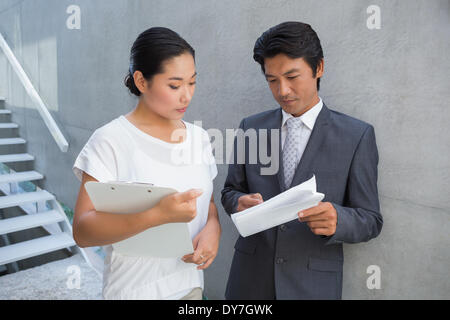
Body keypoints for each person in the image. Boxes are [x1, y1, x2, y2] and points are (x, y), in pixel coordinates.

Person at [221, 21, 383, 299]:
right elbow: (229, 191)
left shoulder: (357, 135)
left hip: (312, 285)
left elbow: (371, 219)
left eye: (292, 76)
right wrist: (238, 202)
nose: (282, 90)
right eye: (272, 80)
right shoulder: (251, 127)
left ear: (318, 68)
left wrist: (338, 219)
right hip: (249, 282)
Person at [72, 27, 221, 300]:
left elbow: (207, 205)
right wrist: (157, 215)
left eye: (192, 82)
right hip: (134, 292)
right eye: (174, 85)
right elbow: (83, 230)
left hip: (189, 287)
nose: (186, 95)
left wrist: (213, 231)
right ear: (141, 81)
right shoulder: (110, 140)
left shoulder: (199, 138)